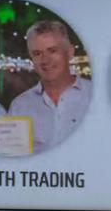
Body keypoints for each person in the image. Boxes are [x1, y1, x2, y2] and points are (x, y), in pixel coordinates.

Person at [8, 20, 92, 152]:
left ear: (70, 53)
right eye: (37, 54)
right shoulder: (19, 106)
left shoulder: (95, 96)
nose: (45, 60)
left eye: (52, 51)